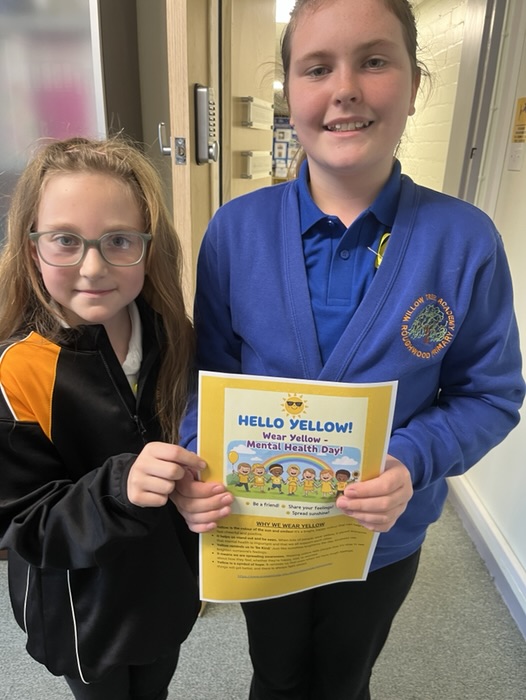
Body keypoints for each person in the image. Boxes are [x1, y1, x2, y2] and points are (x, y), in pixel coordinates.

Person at [173, 0, 525, 698]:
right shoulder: (235, 232)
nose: (345, 89)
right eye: (317, 68)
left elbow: (490, 393)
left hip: (382, 535)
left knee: (345, 676)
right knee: (275, 673)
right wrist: (196, 458)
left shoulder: (464, 241)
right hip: (260, 522)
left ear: (415, 84)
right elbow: (203, 378)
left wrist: (411, 459)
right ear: (289, 92)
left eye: (374, 61)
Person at [0, 136, 206, 700]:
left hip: (164, 593)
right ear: (32, 248)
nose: (93, 267)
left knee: (156, 688)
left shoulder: (174, 338)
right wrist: (120, 489)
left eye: (118, 240)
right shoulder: (18, 371)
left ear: (147, 247)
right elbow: (22, 522)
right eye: (65, 240)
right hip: (81, 611)